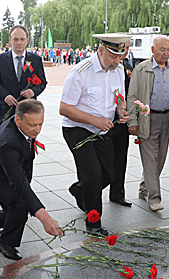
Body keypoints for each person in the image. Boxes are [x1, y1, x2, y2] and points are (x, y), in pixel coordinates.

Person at [0, 100, 62, 259]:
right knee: (20, 203)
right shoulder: (8, 142)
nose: (37, 130)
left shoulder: (20, 126)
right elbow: (19, 182)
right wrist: (45, 218)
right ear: (18, 120)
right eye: (32, 125)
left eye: (40, 124)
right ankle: (6, 243)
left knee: (16, 205)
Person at [60, 33, 131, 237]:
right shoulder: (80, 72)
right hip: (77, 130)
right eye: (112, 56)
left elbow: (120, 97)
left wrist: (121, 111)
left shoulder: (118, 70)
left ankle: (80, 190)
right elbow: (64, 108)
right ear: (100, 50)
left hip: (102, 130)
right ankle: (93, 223)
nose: (117, 61)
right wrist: (94, 120)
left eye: (120, 57)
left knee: (109, 174)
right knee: (93, 176)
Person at [127, 35, 169, 211]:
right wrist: (132, 121)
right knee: (150, 159)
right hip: (147, 119)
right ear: (152, 50)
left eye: (168, 50)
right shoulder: (141, 69)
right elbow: (132, 97)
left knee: (160, 158)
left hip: (167, 118)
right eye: (162, 49)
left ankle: (144, 189)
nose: (166, 53)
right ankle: (154, 198)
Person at [0, 25, 47, 123]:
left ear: (27, 40)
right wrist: (5, 96)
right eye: (15, 39)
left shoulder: (36, 60)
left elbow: (42, 82)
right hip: (7, 110)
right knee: (7, 138)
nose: (19, 42)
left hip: (29, 111)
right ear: (10, 40)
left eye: (22, 39)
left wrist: (33, 91)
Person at [109, 39, 134, 207]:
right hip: (101, 121)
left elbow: (125, 93)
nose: (124, 52)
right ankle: (85, 190)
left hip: (121, 119)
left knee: (120, 158)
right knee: (99, 162)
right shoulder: (104, 66)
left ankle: (117, 193)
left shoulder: (127, 68)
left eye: (126, 48)